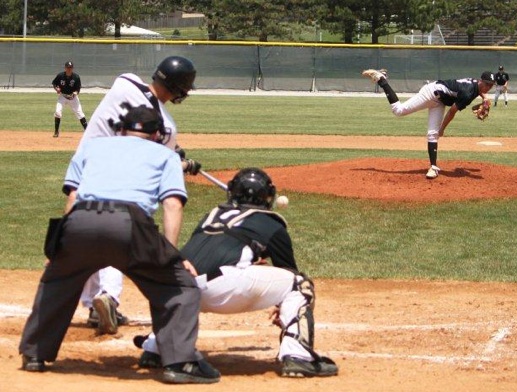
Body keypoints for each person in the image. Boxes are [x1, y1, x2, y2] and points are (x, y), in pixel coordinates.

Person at [18, 105, 220, 384]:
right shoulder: (165, 154)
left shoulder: (92, 147)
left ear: (121, 129)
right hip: (130, 225)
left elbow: (73, 198)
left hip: (81, 221)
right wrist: (171, 256)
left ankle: (34, 354)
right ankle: (180, 362)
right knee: (179, 286)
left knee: (57, 281)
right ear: (157, 134)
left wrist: (59, 249)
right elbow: (172, 204)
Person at [133, 168, 339, 378]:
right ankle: (299, 356)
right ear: (267, 196)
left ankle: (155, 348)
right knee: (299, 283)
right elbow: (288, 270)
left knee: (196, 277)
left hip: (182, 291)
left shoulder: (212, 215)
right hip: (224, 290)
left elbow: (207, 254)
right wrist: (281, 305)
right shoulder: (271, 222)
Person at [77, 56, 202, 335]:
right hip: (121, 183)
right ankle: (108, 295)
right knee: (117, 236)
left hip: (86, 168)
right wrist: (185, 163)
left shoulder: (125, 81)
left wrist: (172, 146)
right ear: (180, 90)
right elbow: (161, 158)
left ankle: (92, 304)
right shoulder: (166, 126)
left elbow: (137, 116)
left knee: (86, 234)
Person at [362, 69, 496, 179]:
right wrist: (442, 129)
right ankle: (381, 79)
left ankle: (433, 167)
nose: (488, 87)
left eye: (491, 85)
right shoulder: (468, 92)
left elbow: (477, 90)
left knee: (432, 134)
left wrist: (485, 97)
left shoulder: (475, 86)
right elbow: (452, 112)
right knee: (399, 111)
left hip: (440, 101)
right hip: (430, 94)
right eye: (486, 84)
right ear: (480, 81)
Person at [52, 61, 88, 137]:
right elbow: (54, 83)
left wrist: (76, 93)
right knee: (58, 112)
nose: (69, 69)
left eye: (70, 68)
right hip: (63, 96)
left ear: (72, 68)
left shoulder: (76, 77)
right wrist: (56, 89)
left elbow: (78, 89)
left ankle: (87, 131)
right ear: (65, 68)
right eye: (68, 67)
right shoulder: (60, 76)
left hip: (73, 98)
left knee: (80, 113)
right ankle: (56, 132)